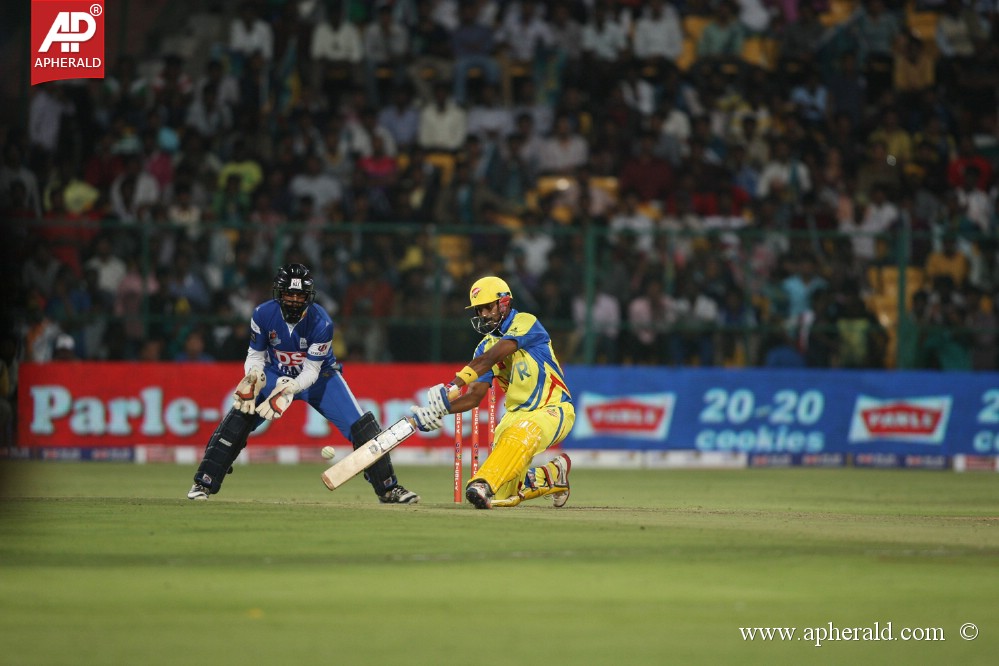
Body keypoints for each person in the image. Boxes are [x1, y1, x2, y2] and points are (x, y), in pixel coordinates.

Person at [187, 263, 419, 504]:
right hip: (274, 373)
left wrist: (290, 389)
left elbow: (311, 370)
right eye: (289, 294)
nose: (295, 300)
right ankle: (203, 482)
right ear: (279, 293)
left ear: (309, 297)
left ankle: (388, 489)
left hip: (319, 379)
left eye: (300, 295)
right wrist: (254, 376)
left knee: (364, 429)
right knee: (237, 421)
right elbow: (255, 355)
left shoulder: (323, 323)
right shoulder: (262, 314)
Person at [409, 276, 574, 510]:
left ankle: (482, 483)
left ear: (504, 303)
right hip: (514, 416)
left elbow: (492, 358)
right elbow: (474, 396)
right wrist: (440, 409)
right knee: (505, 494)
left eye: (488, 307)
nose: (483, 314)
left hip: (552, 409)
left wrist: (451, 386)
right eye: (479, 310)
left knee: (517, 440)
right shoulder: (483, 346)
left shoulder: (526, 322)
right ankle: (554, 474)